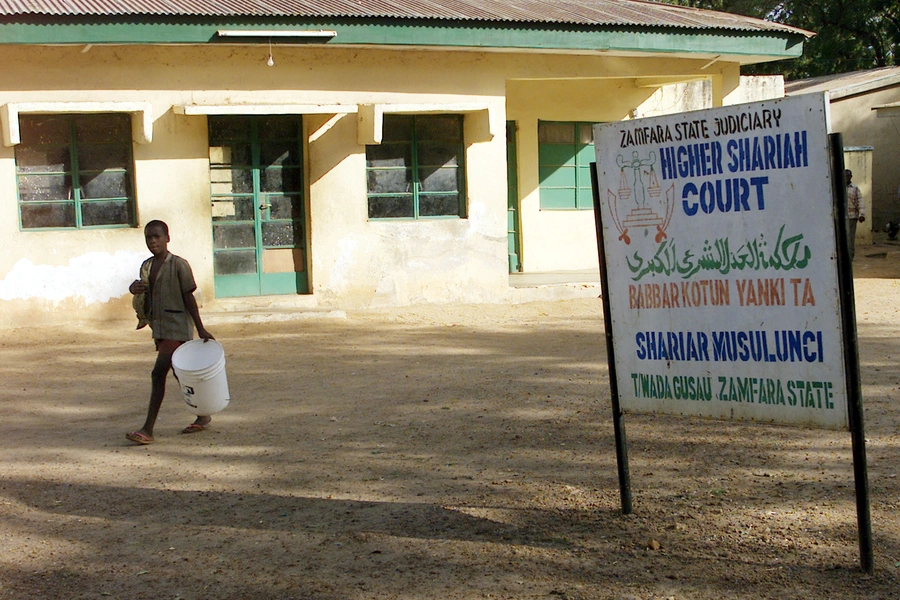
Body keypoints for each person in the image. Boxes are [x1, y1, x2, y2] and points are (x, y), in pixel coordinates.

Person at [126, 220, 215, 445]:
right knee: (180, 374)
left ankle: (147, 429)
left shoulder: (179, 265)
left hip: (177, 327)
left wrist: (200, 326)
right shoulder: (146, 266)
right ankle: (203, 413)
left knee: (158, 374)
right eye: (148, 237)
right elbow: (143, 291)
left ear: (167, 238)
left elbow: (188, 297)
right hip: (161, 327)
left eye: (157, 236)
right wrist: (133, 289)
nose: (153, 241)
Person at [845, 169, 865, 261]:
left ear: (851, 177)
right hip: (841, 218)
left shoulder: (855, 188)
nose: (846, 178)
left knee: (850, 237)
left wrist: (862, 214)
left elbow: (860, 201)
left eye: (848, 176)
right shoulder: (837, 188)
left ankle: (850, 256)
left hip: (852, 217)